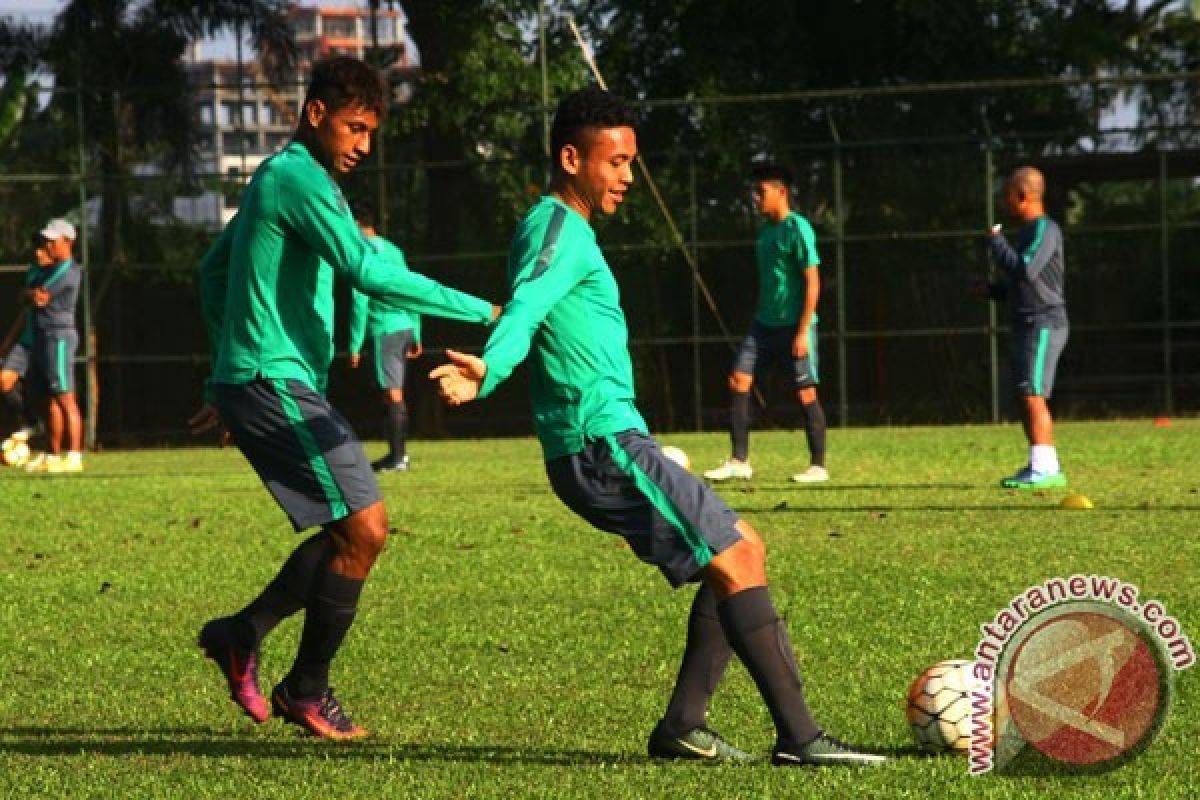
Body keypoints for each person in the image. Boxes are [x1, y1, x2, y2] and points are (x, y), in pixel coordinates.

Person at [431, 87, 884, 767]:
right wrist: (487, 370)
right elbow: (525, 307)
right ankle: (801, 738)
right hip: (599, 442)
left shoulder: (571, 231)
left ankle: (684, 726)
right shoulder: (555, 229)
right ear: (571, 158)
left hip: (611, 437)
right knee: (736, 558)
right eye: (615, 161)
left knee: (740, 551)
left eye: (631, 162)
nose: (626, 177)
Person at [191, 56, 499, 740]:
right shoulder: (298, 178)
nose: (363, 144)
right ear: (316, 114)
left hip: (265, 377)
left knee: (348, 531)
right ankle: (306, 690)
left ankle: (242, 635)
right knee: (366, 528)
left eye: (372, 133)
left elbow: (211, 273)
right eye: (355, 128)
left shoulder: (286, 178)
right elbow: (365, 272)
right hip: (273, 379)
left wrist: (224, 372)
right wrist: (486, 311)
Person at [703, 164, 829, 485]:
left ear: (781, 193)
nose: (755, 198)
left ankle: (817, 466)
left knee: (805, 393)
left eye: (761, 192)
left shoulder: (797, 228)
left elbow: (813, 282)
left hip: (794, 326)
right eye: (754, 192)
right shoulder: (765, 234)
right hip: (763, 326)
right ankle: (739, 461)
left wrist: (802, 330)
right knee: (738, 380)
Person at [985, 166, 1068, 489]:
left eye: (1007, 196)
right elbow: (1022, 285)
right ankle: (1041, 463)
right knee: (1026, 393)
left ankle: (1046, 470)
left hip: (1044, 322)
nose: (1005, 203)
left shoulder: (1044, 230)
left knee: (1033, 393)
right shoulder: (1029, 232)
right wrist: (991, 290)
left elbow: (1026, 270)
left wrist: (996, 241)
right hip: (1027, 321)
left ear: (1022, 196)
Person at [346, 199, 422, 473]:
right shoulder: (393, 250)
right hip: (403, 327)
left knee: (392, 393)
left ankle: (398, 458)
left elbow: (360, 300)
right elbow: (410, 288)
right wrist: (416, 330)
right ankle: (396, 454)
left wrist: (354, 344)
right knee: (390, 393)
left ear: (355, 224)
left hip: (384, 328)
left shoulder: (362, 251)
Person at [22, 219, 83, 474]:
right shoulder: (46, 268)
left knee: (65, 397)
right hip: (44, 336)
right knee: (51, 400)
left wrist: (32, 294)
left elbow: (39, 297)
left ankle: (75, 454)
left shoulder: (67, 270)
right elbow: (28, 294)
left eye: (53, 241)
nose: (47, 245)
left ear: (67, 242)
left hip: (58, 337)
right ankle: (53, 454)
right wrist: (31, 294)